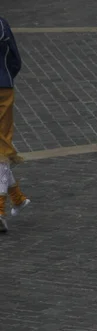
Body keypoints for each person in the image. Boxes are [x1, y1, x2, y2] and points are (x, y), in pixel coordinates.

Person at [0, 17, 30, 233]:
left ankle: (16, 198)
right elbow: (14, 60)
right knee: (2, 145)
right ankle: (12, 200)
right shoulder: (1, 24)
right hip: (2, 86)